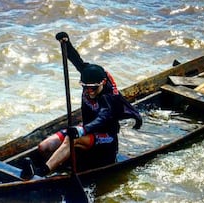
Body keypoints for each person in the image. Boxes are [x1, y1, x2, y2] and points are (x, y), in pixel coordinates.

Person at [38, 32, 142, 174]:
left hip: (106, 139)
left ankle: (44, 172)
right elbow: (76, 60)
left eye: (93, 88)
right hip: (87, 130)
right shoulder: (89, 75)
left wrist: (82, 130)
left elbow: (102, 119)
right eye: (85, 87)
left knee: (72, 140)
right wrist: (66, 43)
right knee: (45, 147)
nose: (89, 91)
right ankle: (60, 168)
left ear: (103, 83)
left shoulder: (109, 97)